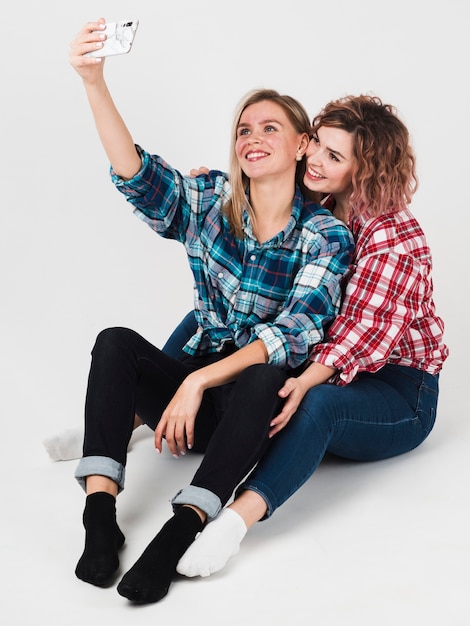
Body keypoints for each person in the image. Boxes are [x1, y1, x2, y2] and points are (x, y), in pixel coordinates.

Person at [69, 19, 354, 604]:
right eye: (245, 128)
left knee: (265, 372)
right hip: (188, 407)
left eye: (270, 127)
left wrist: (199, 378)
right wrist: (94, 81)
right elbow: (139, 177)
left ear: (302, 145)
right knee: (115, 341)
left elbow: (295, 334)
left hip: (245, 413)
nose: (253, 136)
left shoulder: (324, 235)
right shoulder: (210, 200)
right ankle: (99, 514)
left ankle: (182, 527)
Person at [173, 94, 449, 578]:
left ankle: (235, 523)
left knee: (316, 402)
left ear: (364, 172)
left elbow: (358, 336)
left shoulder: (393, 237)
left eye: (334, 157)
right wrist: (217, 189)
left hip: (397, 387)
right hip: (328, 352)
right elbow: (259, 208)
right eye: (318, 144)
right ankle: (140, 408)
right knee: (216, 312)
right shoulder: (318, 200)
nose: (315, 160)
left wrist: (301, 384)